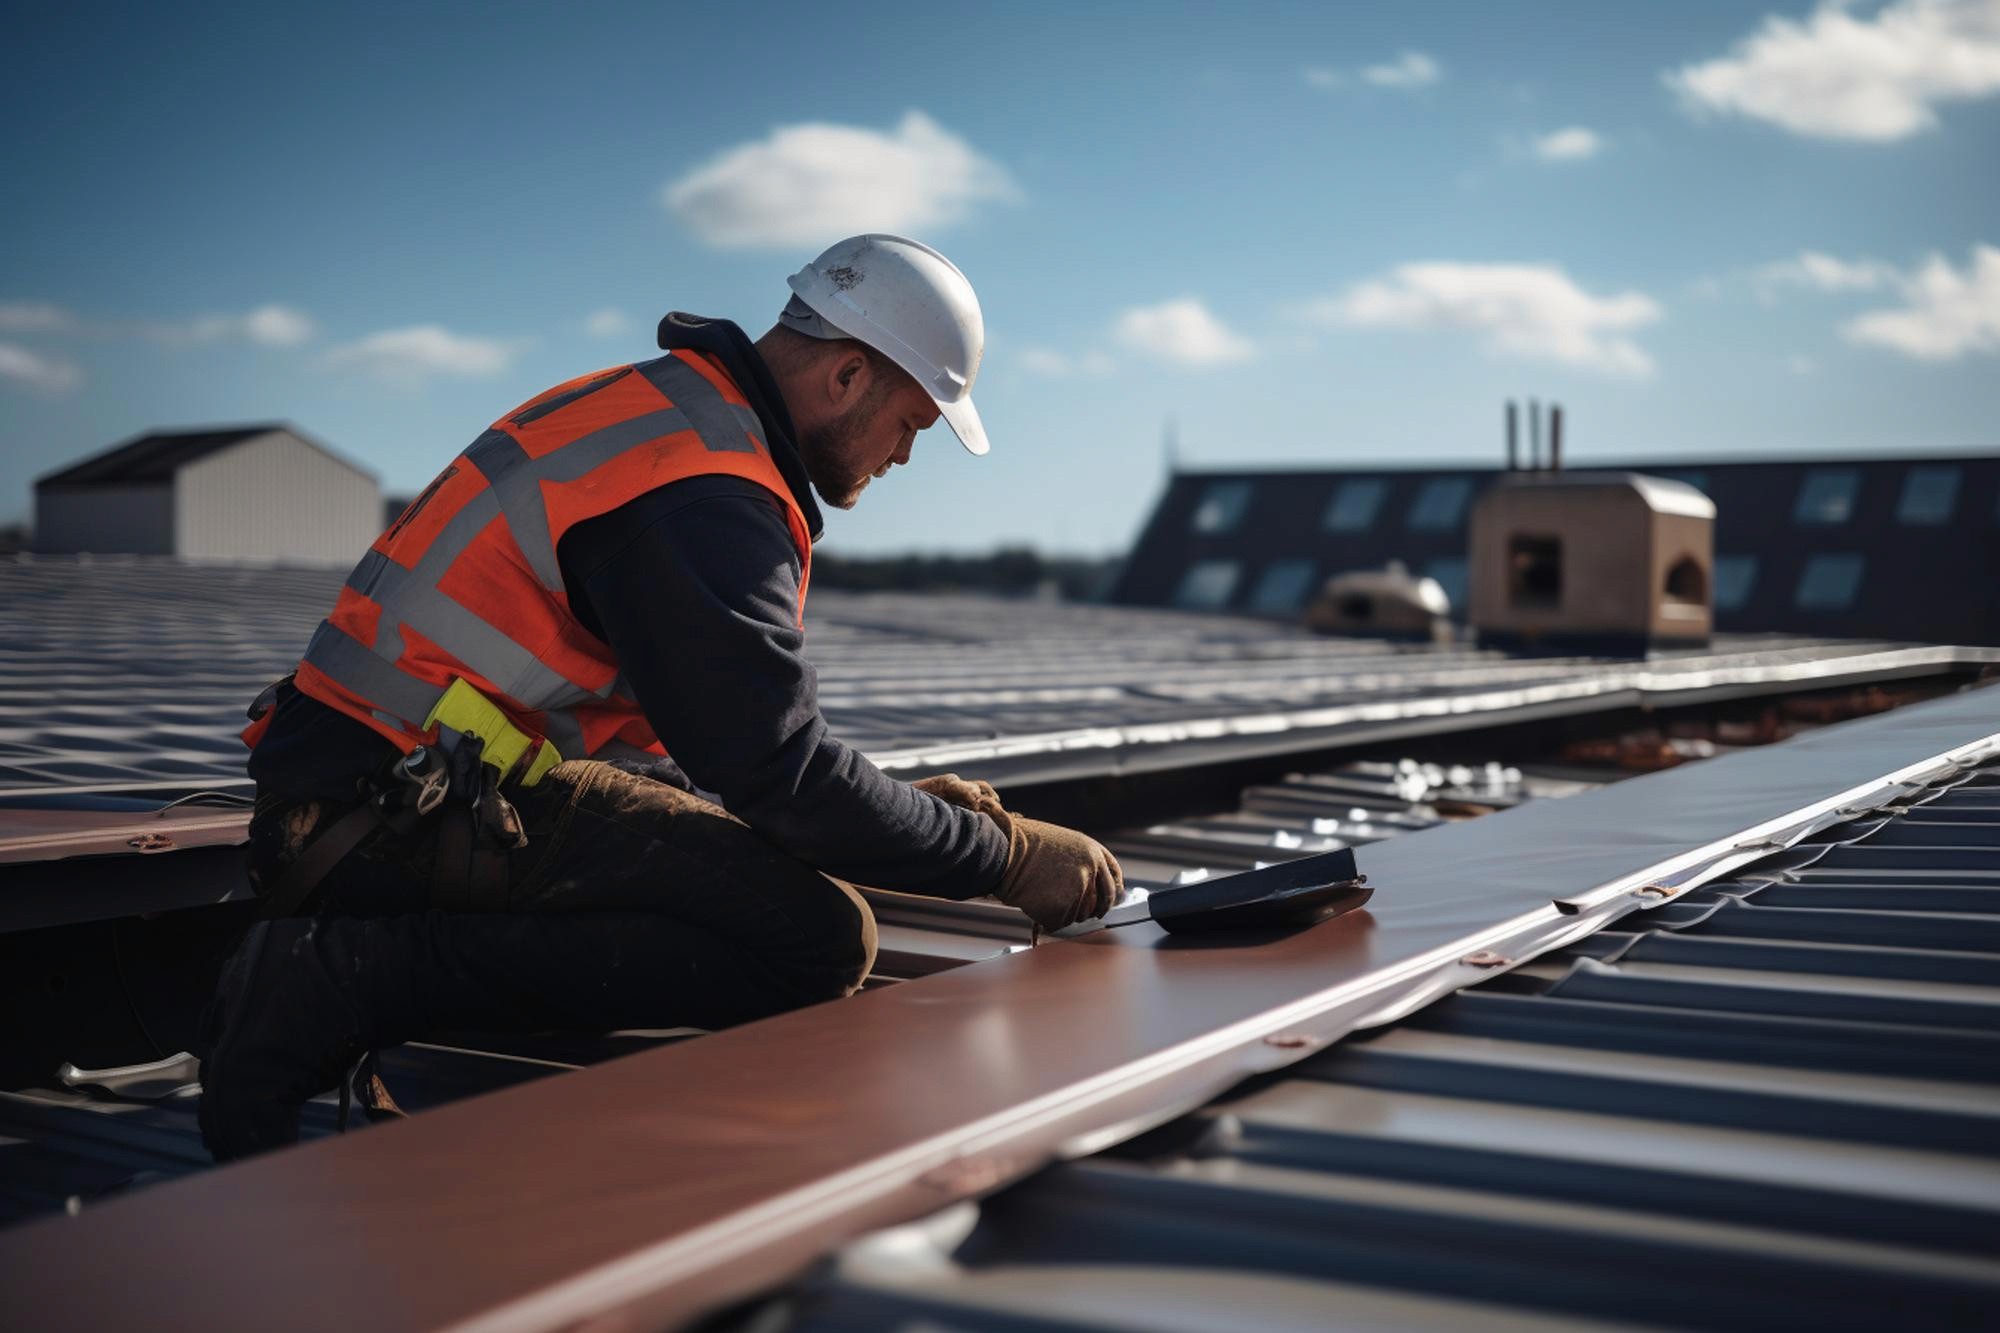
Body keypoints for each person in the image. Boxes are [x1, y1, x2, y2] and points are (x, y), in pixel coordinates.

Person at [198, 234, 1124, 1162]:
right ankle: (332, 983)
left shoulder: (667, 417)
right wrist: (1004, 857)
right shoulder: (705, 494)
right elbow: (782, 775)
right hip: (379, 815)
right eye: (913, 423)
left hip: (397, 778)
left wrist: (903, 816)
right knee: (815, 937)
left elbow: (720, 763)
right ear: (847, 377)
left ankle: (364, 976)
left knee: (742, 867)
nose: (905, 456)